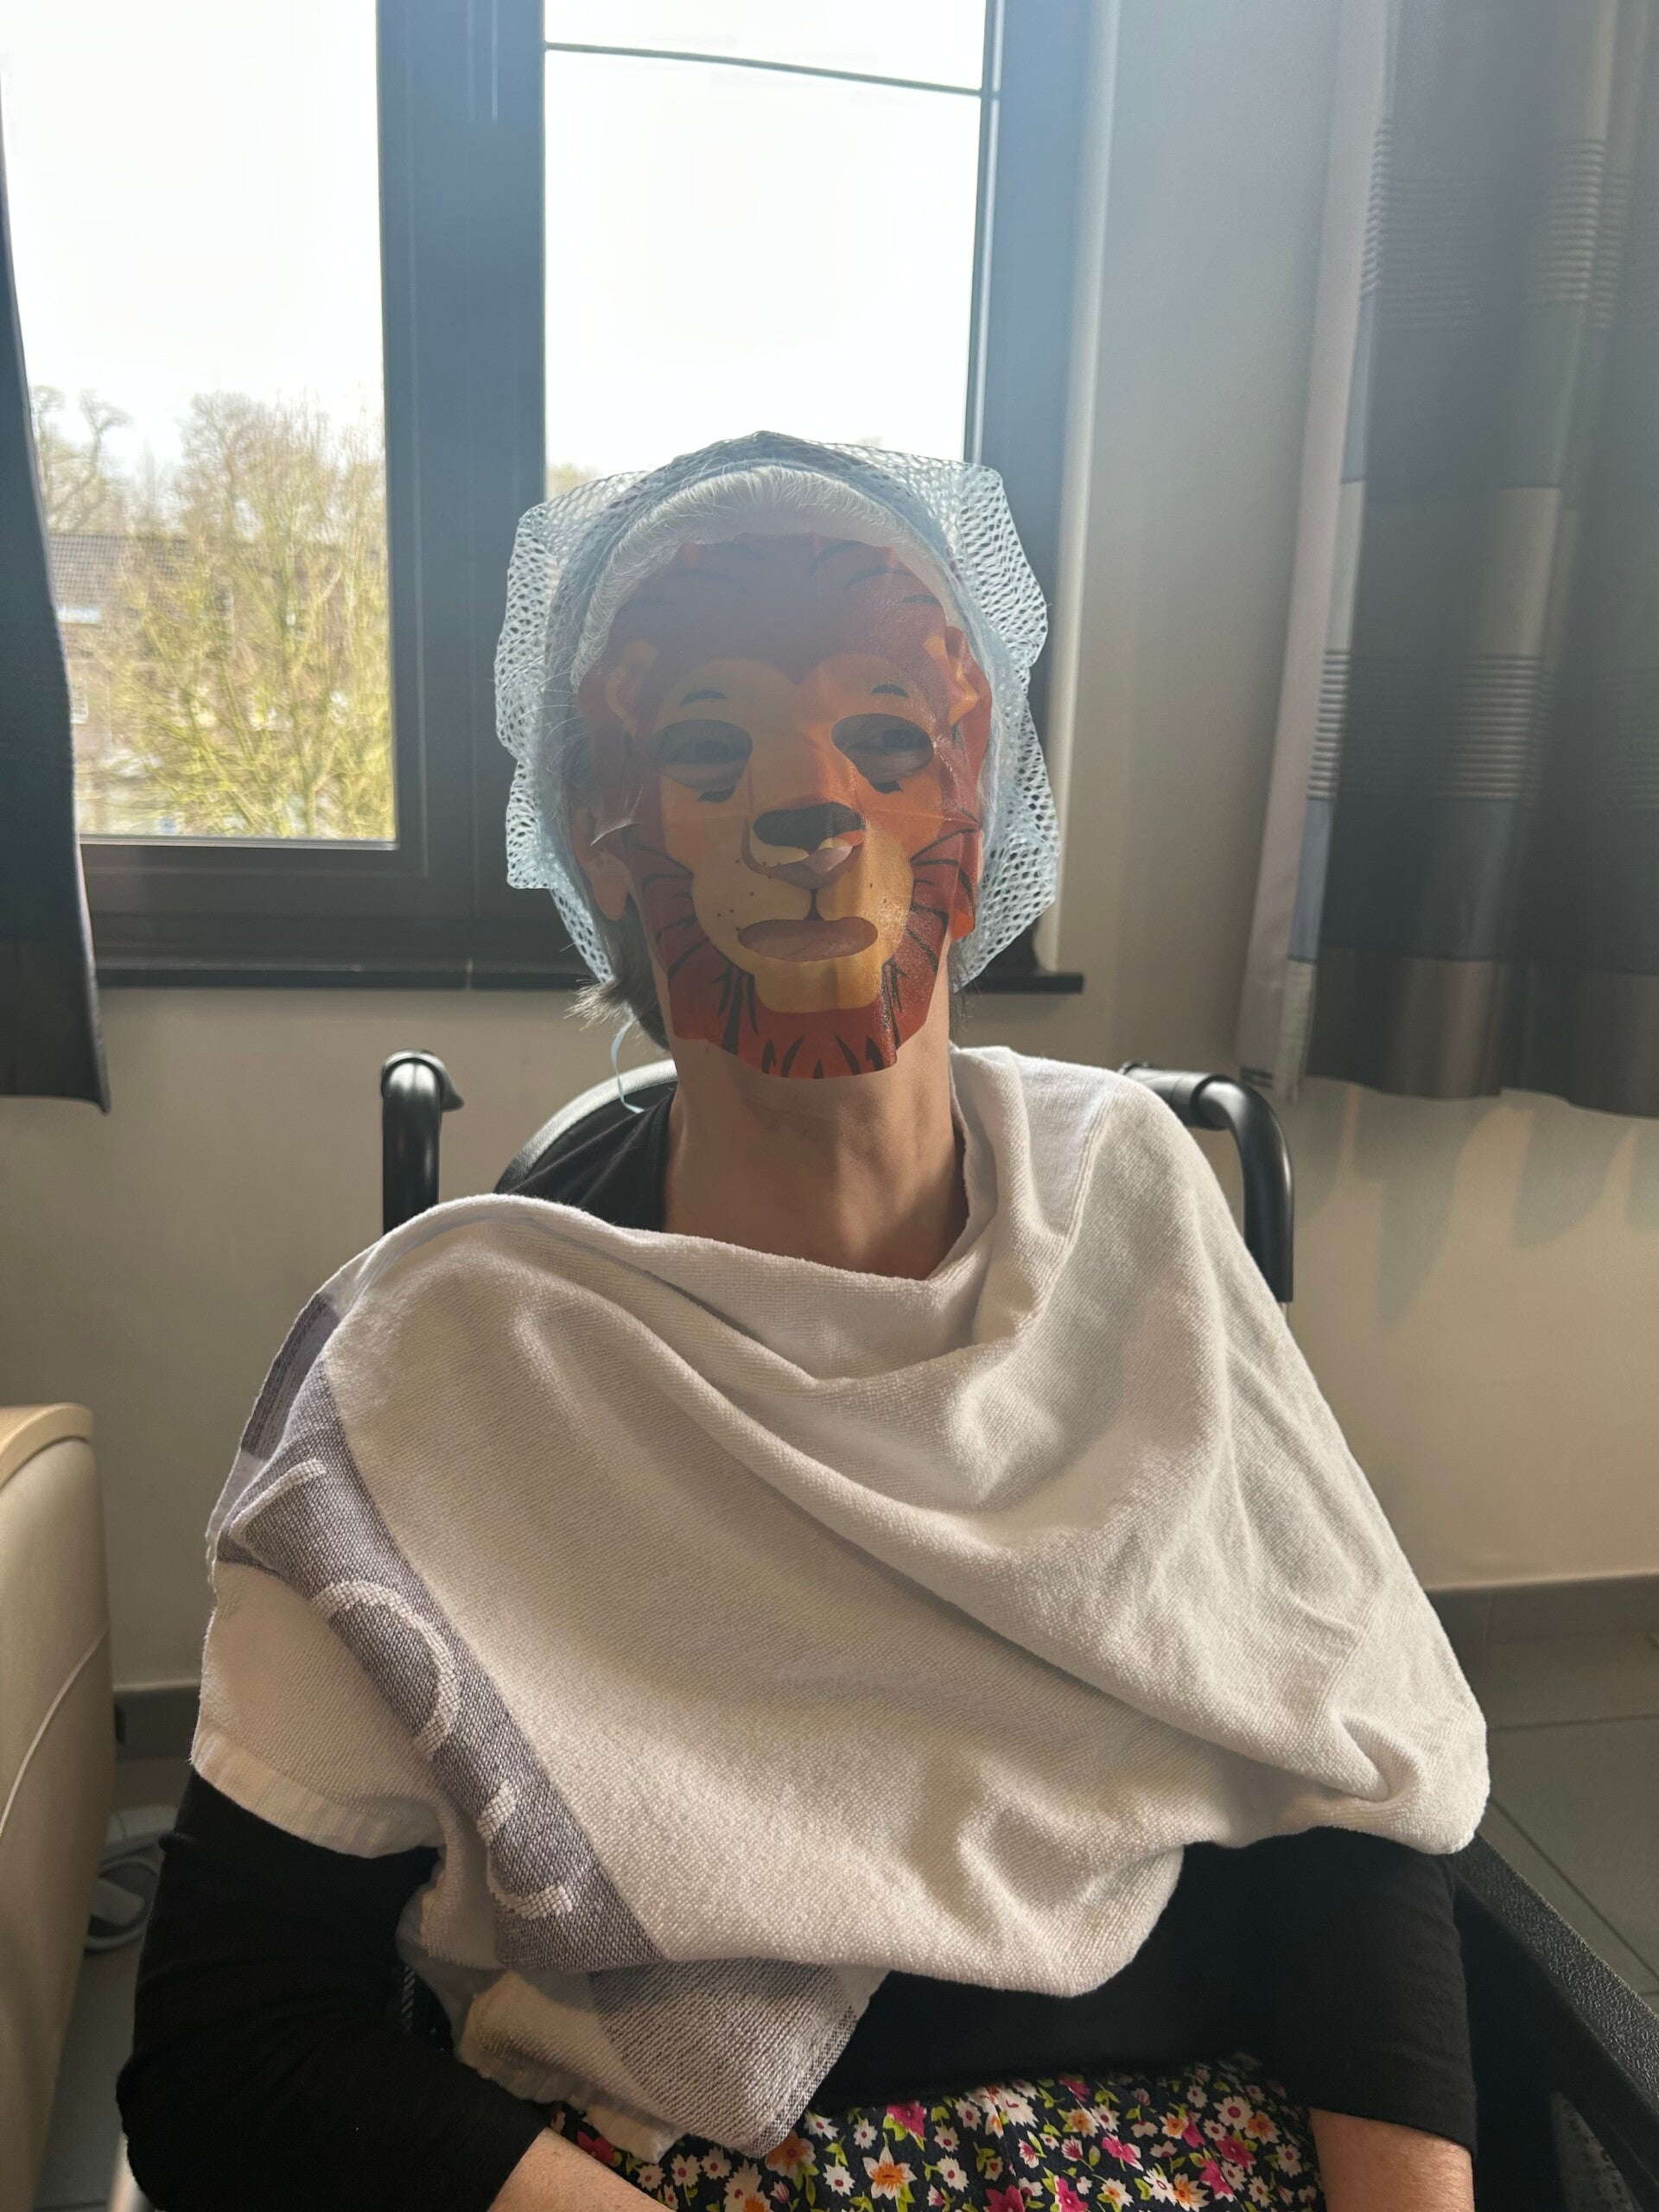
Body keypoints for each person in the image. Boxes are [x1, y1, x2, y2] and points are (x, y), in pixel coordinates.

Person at [119, 434, 1489, 2212]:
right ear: (605, 844)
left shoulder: (1132, 1207)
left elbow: (1345, 1790)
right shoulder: (445, 1360)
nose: (813, 805)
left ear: (979, 800)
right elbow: (231, 2052)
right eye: (709, 750)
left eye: (889, 738)